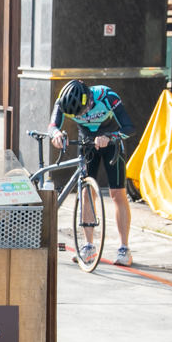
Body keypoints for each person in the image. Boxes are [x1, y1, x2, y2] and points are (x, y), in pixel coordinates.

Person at [48, 79, 136, 266]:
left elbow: (130, 128)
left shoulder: (107, 96)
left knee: (117, 194)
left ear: (89, 99)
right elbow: (52, 126)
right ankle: (88, 246)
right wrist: (55, 134)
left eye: (84, 110)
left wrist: (110, 137)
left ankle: (124, 248)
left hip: (111, 142)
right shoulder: (62, 102)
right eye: (78, 114)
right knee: (87, 193)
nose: (84, 115)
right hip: (87, 143)